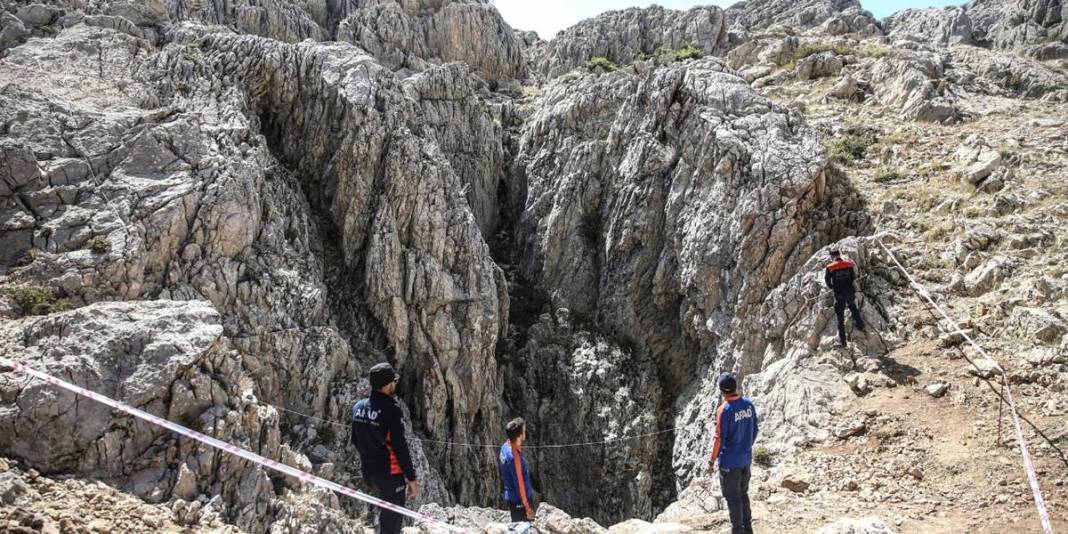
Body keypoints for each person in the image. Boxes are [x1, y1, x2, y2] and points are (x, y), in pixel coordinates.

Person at [351, 363, 419, 534]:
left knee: (384, 517)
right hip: (390, 475)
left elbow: (355, 440)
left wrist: (370, 456)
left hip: (368, 472)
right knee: (392, 523)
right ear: (388, 384)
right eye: (394, 381)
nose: (395, 385)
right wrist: (411, 479)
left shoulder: (358, 407)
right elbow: (400, 447)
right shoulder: (392, 411)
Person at [707, 372, 758, 534]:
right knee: (743, 494)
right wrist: (745, 447)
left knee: (733, 499)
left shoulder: (724, 409)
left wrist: (711, 461)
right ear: (735, 387)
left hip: (730, 463)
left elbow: (719, 438)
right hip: (745, 459)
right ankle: (748, 529)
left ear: (721, 390)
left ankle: (737, 531)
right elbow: (755, 429)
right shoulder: (749, 405)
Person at [825, 249, 866, 347]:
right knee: (853, 307)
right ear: (839, 255)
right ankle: (860, 325)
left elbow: (827, 281)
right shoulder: (849, 264)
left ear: (832, 257)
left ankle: (843, 342)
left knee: (840, 317)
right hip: (850, 291)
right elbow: (853, 277)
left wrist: (833, 287)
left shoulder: (830, 267)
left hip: (839, 294)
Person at [499, 417, 535, 523]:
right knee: (523, 528)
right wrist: (527, 508)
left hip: (511, 497)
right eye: (524, 431)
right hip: (519, 501)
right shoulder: (514, 458)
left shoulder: (505, 447)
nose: (525, 433)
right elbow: (520, 485)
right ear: (519, 435)